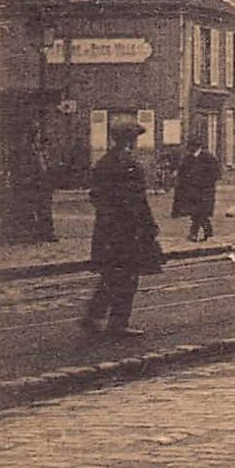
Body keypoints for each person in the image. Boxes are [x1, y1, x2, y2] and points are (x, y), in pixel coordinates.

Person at [81, 120, 163, 338]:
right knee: (128, 277)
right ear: (131, 140)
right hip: (128, 230)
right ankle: (118, 324)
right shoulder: (129, 165)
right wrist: (148, 226)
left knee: (111, 274)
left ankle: (93, 315)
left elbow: (96, 196)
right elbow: (137, 201)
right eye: (134, 139)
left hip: (109, 230)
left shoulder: (103, 163)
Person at [172, 137, 222, 243]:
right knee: (197, 213)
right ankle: (208, 233)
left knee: (199, 213)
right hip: (192, 192)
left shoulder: (208, 158)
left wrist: (204, 182)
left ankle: (194, 234)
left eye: (191, 147)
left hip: (204, 192)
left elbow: (216, 174)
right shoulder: (188, 158)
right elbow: (181, 173)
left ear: (197, 147)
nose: (189, 149)